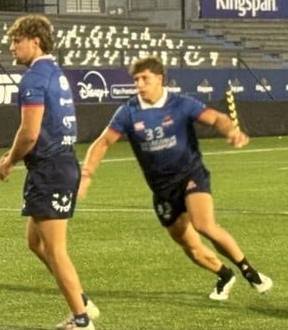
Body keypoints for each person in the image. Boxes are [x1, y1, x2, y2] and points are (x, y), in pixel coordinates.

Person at [79, 55, 272, 301]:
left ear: (160, 79)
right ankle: (224, 275)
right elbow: (103, 142)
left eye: (144, 78)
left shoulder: (181, 104)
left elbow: (216, 118)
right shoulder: (128, 112)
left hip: (190, 174)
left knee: (203, 224)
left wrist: (231, 131)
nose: (139, 84)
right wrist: (87, 174)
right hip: (162, 190)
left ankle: (249, 271)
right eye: (136, 79)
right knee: (189, 244)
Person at [0, 15, 98, 330]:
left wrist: (9, 161)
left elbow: (30, 131)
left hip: (50, 168)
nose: (11, 48)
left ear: (34, 41)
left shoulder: (34, 79)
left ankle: (82, 322)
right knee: (35, 242)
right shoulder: (55, 73)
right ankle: (82, 302)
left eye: (16, 41)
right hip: (60, 164)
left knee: (54, 249)